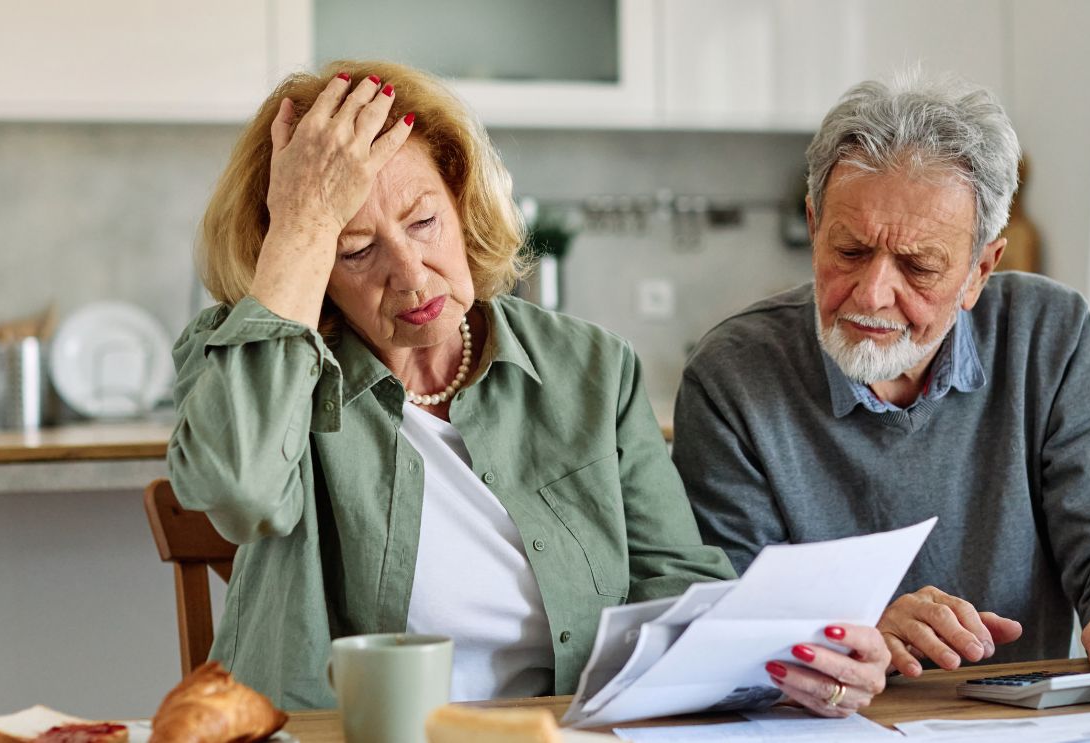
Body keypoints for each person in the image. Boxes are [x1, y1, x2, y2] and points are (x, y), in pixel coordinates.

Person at [169, 60, 889, 714]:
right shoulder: (244, 361)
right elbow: (241, 491)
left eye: (424, 221)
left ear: (459, 198)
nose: (413, 275)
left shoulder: (590, 369)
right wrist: (300, 224)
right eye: (354, 250)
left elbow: (675, 591)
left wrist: (800, 662)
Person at [673, 71, 1090, 705]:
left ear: (981, 269)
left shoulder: (1051, 336)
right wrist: (853, 631)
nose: (872, 295)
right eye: (849, 251)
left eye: (918, 266)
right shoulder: (731, 373)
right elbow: (723, 624)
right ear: (814, 225)